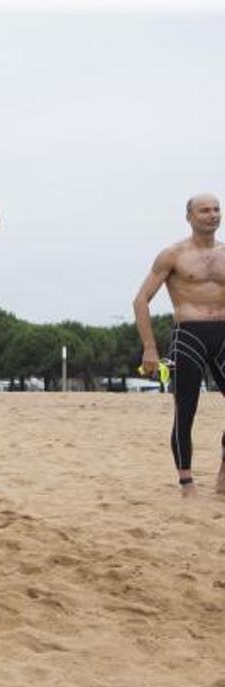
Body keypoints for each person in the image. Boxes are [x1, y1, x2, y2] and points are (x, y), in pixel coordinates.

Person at [132, 194, 225, 497]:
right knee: (186, 409)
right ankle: (187, 482)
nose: (213, 215)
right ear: (189, 217)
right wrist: (150, 348)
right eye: (205, 210)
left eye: (216, 209)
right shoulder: (172, 255)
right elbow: (141, 301)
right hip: (189, 334)